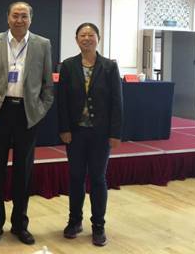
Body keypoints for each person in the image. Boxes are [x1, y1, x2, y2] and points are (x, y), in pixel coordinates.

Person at [0, 1, 54, 246]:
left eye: (24, 16)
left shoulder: (42, 44)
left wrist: (39, 110)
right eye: (15, 15)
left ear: (31, 19)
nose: (19, 20)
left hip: (27, 114)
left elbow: (47, 84)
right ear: (7, 18)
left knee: (23, 172)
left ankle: (20, 225)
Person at [58, 22, 123, 247]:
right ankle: (74, 221)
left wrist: (115, 133)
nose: (86, 38)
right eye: (82, 35)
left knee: (97, 178)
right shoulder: (68, 66)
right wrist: (64, 129)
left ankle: (98, 226)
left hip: (100, 134)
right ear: (76, 39)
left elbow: (117, 102)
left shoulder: (109, 66)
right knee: (76, 177)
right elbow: (62, 101)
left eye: (91, 35)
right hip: (75, 133)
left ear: (98, 38)